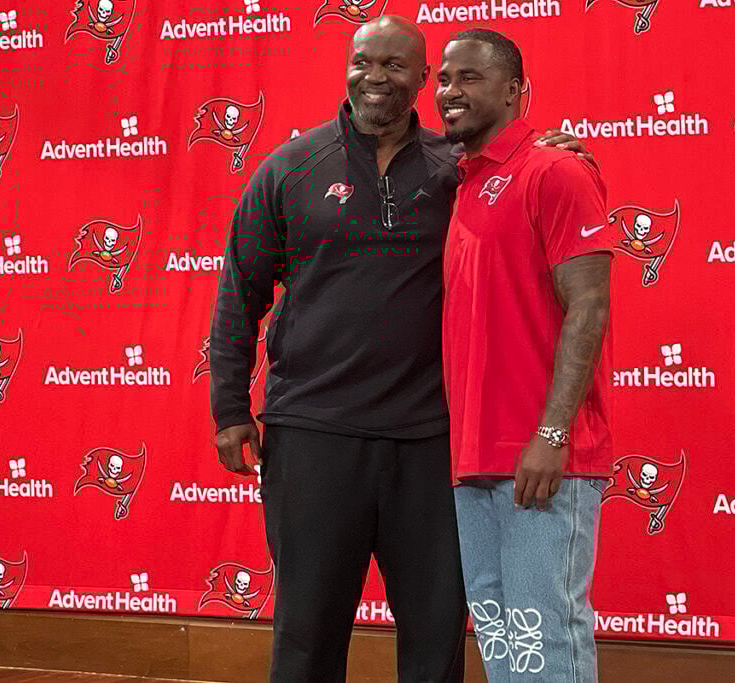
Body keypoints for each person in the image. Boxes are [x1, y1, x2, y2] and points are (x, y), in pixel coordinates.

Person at [209, 16, 593, 683]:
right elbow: (239, 288)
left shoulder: (458, 170)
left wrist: (558, 150)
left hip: (431, 442)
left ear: (423, 81)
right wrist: (228, 406)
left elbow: (529, 175)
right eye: (363, 62)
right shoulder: (290, 168)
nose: (374, 76)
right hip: (312, 435)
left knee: (436, 632)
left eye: (394, 65)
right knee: (305, 632)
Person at [437, 29, 613, 682]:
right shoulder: (458, 184)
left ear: (515, 91)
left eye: (470, 78)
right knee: (507, 648)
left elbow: (589, 304)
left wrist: (552, 431)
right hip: (472, 459)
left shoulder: (556, 170)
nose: (450, 91)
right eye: (445, 79)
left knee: (549, 645)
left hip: (545, 459)